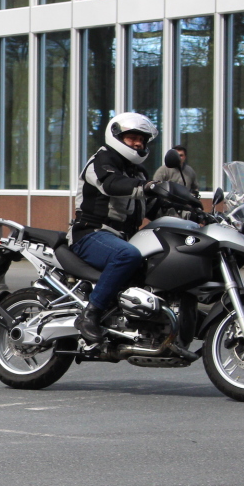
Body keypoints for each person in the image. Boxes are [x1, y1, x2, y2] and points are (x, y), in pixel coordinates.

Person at [71, 112, 170, 343]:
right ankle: (90, 313)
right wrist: (150, 186)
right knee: (127, 255)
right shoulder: (102, 161)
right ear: (117, 136)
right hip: (91, 233)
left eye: (142, 139)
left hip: (123, 237)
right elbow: (112, 184)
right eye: (132, 138)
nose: (138, 143)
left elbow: (153, 208)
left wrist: (193, 214)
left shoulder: (138, 172)